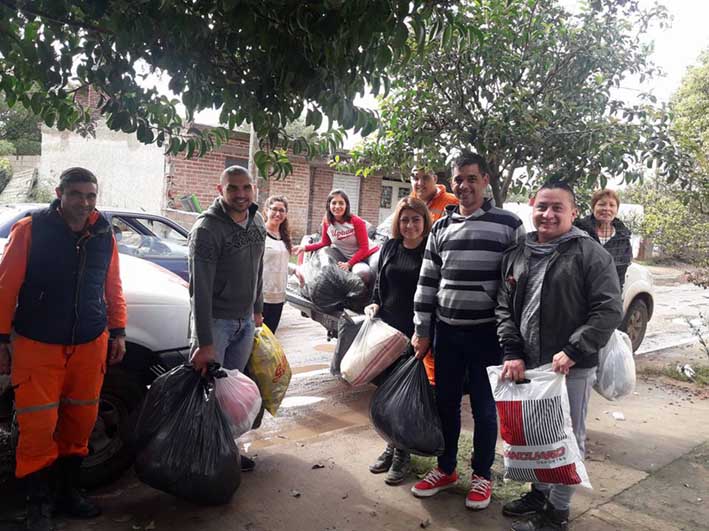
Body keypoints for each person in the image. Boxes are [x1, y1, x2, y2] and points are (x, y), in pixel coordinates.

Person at [0, 167, 127, 531]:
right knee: (38, 428)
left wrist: (117, 331)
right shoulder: (30, 231)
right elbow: (6, 289)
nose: (84, 202)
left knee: (80, 425)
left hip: (89, 344)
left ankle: (68, 494)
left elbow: (113, 285)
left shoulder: (104, 233)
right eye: (76, 194)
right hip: (37, 345)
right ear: (59, 193)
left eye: (90, 196)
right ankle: (37, 504)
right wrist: (1, 340)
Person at [496, 180, 622, 531]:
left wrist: (574, 349)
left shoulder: (589, 253)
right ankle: (539, 493)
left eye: (558, 208)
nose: (548, 215)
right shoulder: (518, 252)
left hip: (570, 367)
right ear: (532, 206)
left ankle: (558, 512)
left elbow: (609, 310)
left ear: (574, 213)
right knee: (537, 434)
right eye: (542, 207)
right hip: (530, 366)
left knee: (566, 438)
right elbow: (504, 306)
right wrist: (512, 350)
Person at [411, 153, 525, 510]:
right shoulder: (440, 227)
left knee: (484, 408)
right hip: (446, 333)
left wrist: (515, 343)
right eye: (459, 179)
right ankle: (446, 468)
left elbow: (520, 283)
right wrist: (422, 329)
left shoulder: (509, 224)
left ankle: (481, 475)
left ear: (485, 180)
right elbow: (427, 280)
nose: (464, 186)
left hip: (487, 335)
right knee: (445, 403)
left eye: (472, 178)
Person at [188, 165, 265, 472]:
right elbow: (200, 290)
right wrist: (204, 342)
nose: (241, 194)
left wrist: (257, 309)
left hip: (244, 321)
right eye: (233, 188)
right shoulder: (207, 229)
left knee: (231, 395)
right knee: (206, 394)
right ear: (220, 191)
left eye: (246, 187)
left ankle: (226, 451)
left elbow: (258, 270)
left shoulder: (257, 221)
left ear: (253, 189)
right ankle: (202, 458)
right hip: (216, 324)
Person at [364, 197, 432, 485]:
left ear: (424, 222)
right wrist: (374, 304)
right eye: (405, 219)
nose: (410, 225)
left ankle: (402, 454)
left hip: (414, 333)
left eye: (416, 219)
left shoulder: (431, 249)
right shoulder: (390, 246)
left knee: (405, 398)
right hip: (387, 331)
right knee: (386, 394)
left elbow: (432, 292)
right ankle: (391, 445)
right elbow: (381, 283)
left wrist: (425, 332)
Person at [409, 167, 458, 384]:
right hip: (415, 279)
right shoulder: (411, 201)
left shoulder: (452, 202)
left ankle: (434, 389)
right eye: (415, 178)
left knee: (432, 342)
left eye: (424, 178)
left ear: (435, 180)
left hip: (439, 283)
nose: (419, 183)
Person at [293, 189, 379, 288]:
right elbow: (325, 243)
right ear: (329, 205)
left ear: (346, 205)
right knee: (363, 274)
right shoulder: (327, 222)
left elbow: (364, 248)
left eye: (341, 203)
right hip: (354, 259)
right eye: (334, 203)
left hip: (370, 254)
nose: (337, 206)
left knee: (377, 269)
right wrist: (304, 248)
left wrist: (349, 264)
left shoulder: (356, 221)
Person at [575, 188, 633, 289]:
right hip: (578, 293)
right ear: (593, 208)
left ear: (616, 210)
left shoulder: (623, 237)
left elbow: (620, 275)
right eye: (602, 204)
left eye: (612, 205)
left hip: (608, 295)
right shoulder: (578, 231)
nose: (607, 208)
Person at [262, 195, 293, 333]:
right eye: (274, 209)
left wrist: (295, 271)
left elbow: (282, 262)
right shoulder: (259, 234)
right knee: (256, 339)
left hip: (279, 296)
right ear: (266, 211)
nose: (278, 213)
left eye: (282, 210)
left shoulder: (284, 236)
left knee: (270, 338)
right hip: (261, 296)